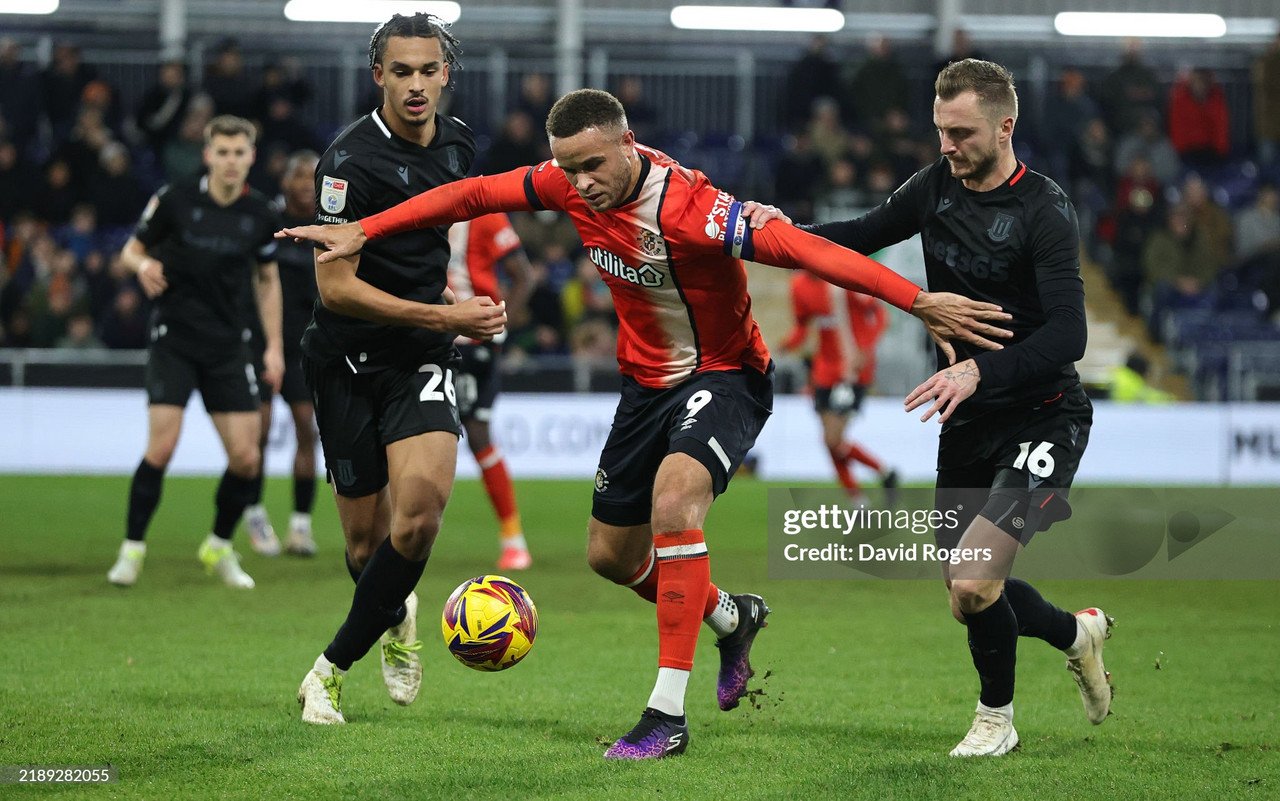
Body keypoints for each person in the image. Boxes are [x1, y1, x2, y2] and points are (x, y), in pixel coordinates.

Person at [279, 88, 1013, 758]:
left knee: (674, 503)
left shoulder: (689, 205)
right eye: (570, 168)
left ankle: (666, 715)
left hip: (723, 375)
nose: (583, 183)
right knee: (609, 556)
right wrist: (363, 230)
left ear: (629, 143)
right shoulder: (565, 182)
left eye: (595, 165)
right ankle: (730, 616)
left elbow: (802, 250)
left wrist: (914, 300)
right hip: (644, 387)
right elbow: (472, 193)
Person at [747, 58, 1113, 758]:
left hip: (1043, 413)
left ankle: (995, 719)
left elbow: (1070, 333)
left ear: (1005, 127)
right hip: (971, 420)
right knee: (966, 593)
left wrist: (980, 367)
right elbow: (860, 232)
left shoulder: (1044, 208)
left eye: (962, 132)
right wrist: (776, 232)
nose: (947, 145)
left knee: (976, 581)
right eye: (941, 130)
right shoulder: (936, 187)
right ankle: (1077, 634)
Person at [289, 13, 506, 726]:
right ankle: (396, 614)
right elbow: (336, 287)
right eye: (401, 71)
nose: (416, 85)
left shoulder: (458, 143)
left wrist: (440, 299)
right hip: (345, 361)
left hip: (417, 358)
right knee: (364, 543)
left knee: (418, 519)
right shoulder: (347, 163)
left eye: (428, 70)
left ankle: (327, 670)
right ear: (377, 74)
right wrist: (448, 314)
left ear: (446, 73)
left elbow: (430, 240)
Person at [105, 114, 284, 589]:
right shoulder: (174, 199)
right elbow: (129, 250)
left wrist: (275, 349)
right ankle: (132, 551)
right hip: (176, 338)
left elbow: (268, 282)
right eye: (221, 152)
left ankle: (219, 546)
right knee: (161, 448)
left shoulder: (262, 213)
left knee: (247, 459)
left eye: (239, 153)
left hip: (230, 345)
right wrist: (143, 264)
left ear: (251, 158)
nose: (230, 161)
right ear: (208, 155)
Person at [239, 149, 323, 557]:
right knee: (257, 431)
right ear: (285, 182)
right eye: (299, 176)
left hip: (308, 345)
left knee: (307, 429)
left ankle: (300, 527)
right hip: (264, 343)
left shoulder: (330, 225)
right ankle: (254, 514)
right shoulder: (267, 221)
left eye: (313, 176)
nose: (307, 183)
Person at [446, 212, 534, 570]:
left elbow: (524, 277)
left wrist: (499, 326)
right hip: (423, 333)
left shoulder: (484, 215)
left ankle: (514, 540)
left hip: (471, 345)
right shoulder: (413, 201)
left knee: (478, 435)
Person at [781, 271, 898, 504]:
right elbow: (802, 326)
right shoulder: (799, 285)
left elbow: (881, 317)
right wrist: (784, 346)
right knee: (829, 440)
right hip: (822, 372)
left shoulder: (843, 278)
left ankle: (880, 473)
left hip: (852, 372)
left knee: (833, 439)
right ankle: (861, 497)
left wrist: (864, 350)